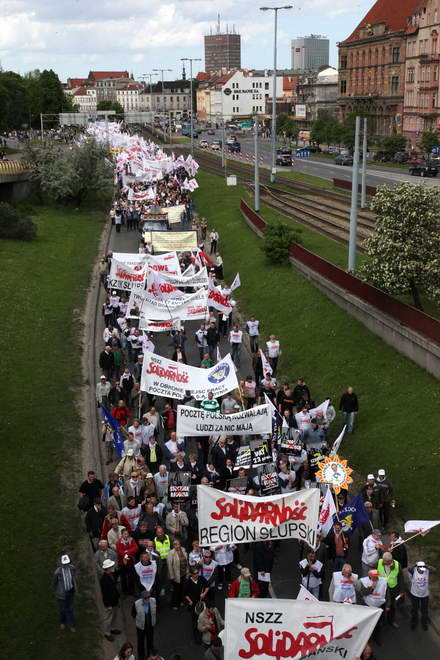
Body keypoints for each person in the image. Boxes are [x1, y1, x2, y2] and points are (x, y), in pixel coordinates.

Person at [357, 569, 388, 644]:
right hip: (368, 605)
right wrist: (372, 588)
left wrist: (388, 604)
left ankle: (376, 637)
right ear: (369, 576)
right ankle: (367, 638)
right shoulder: (363, 581)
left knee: (377, 623)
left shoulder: (383, 580)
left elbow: (387, 592)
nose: (375, 578)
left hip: (379, 606)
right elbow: (362, 593)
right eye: (373, 577)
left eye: (376, 576)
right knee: (368, 622)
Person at [376, 551, 403, 628]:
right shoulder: (379, 562)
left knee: (392, 606)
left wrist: (402, 591)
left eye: (385, 561)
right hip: (382, 589)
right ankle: (382, 621)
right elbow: (375, 572)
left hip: (392, 589)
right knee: (382, 605)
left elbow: (400, 578)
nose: (383, 562)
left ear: (390, 560)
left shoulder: (397, 565)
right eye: (383, 560)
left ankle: (391, 621)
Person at [53, 554, 77, 632]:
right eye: (64, 564)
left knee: (70, 609)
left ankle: (71, 624)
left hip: (70, 592)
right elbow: (54, 583)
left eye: (67, 563)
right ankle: (62, 622)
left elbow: (73, 576)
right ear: (61, 563)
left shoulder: (72, 568)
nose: (66, 565)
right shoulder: (57, 572)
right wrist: (59, 590)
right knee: (62, 609)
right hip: (62, 594)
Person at [100, 559, 122, 642]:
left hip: (114, 600)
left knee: (114, 616)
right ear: (107, 568)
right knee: (108, 618)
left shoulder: (111, 574)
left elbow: (118, 573)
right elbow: (105, 594)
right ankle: (107, 633)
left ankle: (112, 629)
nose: (112, 567)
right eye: (111, 567)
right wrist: (108, 605)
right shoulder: (103, 580)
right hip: (109, 603)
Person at [132, 590, 157, 660]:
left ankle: (150, 656)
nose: (147, 600)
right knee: (140, 642)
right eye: (145, 598)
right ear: (142, 598)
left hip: (150, 626)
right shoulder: (136, 604)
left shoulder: (153, 601)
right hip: (140, 627)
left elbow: (155, 611)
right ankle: (141, 656)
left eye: (148, 598)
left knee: (150, 642)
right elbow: (133, 614)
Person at [409, 561, 434, 631]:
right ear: (417, 567)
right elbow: (409, 568)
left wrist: (426, 566)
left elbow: (434, 569)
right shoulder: (413, 571)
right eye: (420, 568)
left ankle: (424, 623)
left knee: (424, 610)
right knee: (414, 609)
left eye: (423, 568)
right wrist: (415, 564)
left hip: (425, 595)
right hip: (415, 594)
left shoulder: (426, 571)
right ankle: (414, 622)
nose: (422, 569)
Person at [167, 539, 189, 609]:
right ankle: (174, 604)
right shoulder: (171, 553)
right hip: (175, 575)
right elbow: (169, 565)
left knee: (181, 589)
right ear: (173, 545)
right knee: (176, 590)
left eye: (178, 544)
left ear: (180, 544)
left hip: (183, 573)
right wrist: (171, 575)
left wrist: (187, 572)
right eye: (175, 544)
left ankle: (180, 601)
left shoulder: (183, 549)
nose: (176, 546)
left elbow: (186, 561)